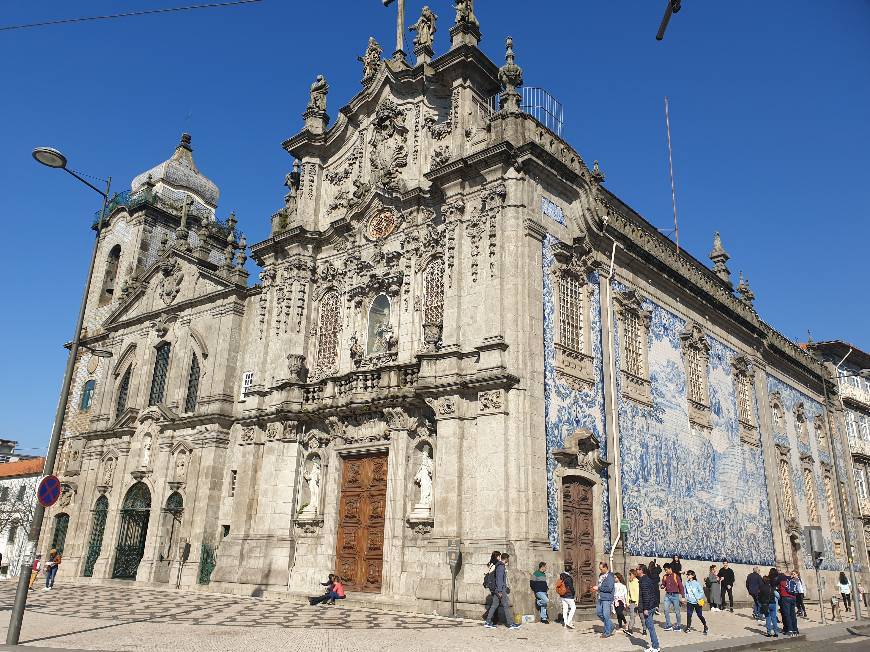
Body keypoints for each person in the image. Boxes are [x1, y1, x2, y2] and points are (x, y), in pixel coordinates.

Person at [485, 553, 520, 630]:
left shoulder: (499, 566)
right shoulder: (501, 566)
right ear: (506, 559)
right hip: (500, 590)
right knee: (506, 606)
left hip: (498, 589)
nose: (508, 560)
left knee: (494, 605)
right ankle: (510, 624)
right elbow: (499, 579)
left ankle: (487, 622)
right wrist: (500, 591)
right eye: (508, 559)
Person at [638, 564, 661, 652]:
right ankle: (655, 645)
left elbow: (646, 595)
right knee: (650, 627)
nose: (636, 570)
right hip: (651, 605)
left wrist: (646, 608)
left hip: (648, 607)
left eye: (637, 569)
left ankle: (655, 646)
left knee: (650, 627)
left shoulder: (644, 581)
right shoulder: (647, 579)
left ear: (641, 570)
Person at [590, 561, 615, 638]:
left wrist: (599, 588)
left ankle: (607, 632)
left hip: (607, 598)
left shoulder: (610, 576)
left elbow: (610, 588)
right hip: (600, 597)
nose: (600, 570)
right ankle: (611, 625)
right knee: (598, 613)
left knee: (606, 615)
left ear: (605, 567)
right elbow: (601, 586)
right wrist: (596, 589)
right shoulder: (601, 575)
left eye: (601, 569)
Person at [683, 570, 709, 635]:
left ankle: (705, 626)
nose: (687, 576)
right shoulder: (686, 583)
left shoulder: (696, 583)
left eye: (689, 574)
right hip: (690, 602)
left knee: (699, 615)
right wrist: (687, 597)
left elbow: (702, 592)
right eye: (687, 574)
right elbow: (685, 592)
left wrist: (698, 598)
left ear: (693, 575)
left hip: (697, 602)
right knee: (689, 615)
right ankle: (688, 627)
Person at [661, 562, 684, 631]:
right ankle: (669, 624)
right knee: (665, 610)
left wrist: (683, 596)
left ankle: (678, 625)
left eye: (666, 569)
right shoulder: (665, 576)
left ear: (670, 569)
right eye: (665, 570)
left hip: (675, 595)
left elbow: (681, 586)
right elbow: (663, 584)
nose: (665, 571)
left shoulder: (675, 576)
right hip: (667, 595)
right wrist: (662, 585)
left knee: (677, 611)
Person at [777, 569, 799, 636]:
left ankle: (790, 630)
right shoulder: (794, 580)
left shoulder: (783, 581)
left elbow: (779, 587)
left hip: (785, 598)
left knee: (787, 614)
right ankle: (795, 629)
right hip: (793, 598)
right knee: (793, 614)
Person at [760, 573, 779, 638]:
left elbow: (759, 597)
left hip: (766, 604)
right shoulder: (772, 588)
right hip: (773, 604)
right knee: (774, 618)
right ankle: (776, 632)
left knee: (768, 618)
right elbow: (777, 595)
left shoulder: (762, 588)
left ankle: (769, 632)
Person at [627, 568, 644, 635]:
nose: (629, 575)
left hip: (638, 602)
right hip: (632, 602)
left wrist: (638, 602)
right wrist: (627, 602)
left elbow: (638, 593)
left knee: (641, 616)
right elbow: (629, 592)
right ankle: (630, 629)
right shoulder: (630, 582)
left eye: (630, 574)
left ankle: (644, 629)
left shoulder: (637, 582)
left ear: (634, 574)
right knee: (632, 616)